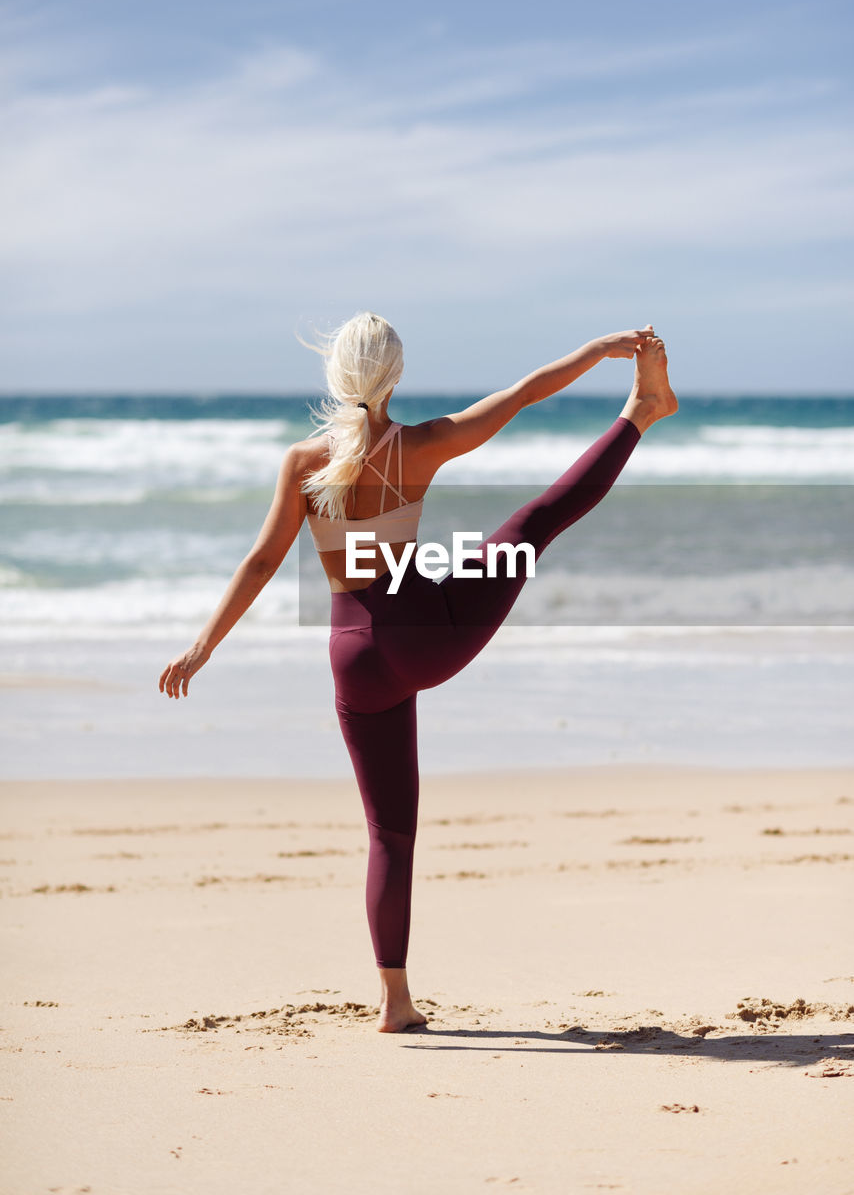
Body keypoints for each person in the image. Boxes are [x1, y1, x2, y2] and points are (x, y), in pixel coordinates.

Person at [159, 313, 677, 1032]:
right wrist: (596, 350)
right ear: (394, 376)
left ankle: (394, 1002)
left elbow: (261, 560)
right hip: (428, 635)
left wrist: (203, 646)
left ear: (336, 378)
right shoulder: (422, 444)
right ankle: (641, 413)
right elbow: (525, 395)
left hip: (356, 660)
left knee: (388, 834)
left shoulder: (303, 463)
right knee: (531, 524)